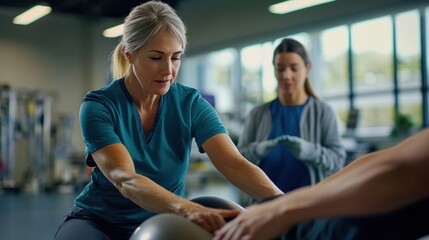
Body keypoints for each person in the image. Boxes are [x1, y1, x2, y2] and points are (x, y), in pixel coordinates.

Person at [53, 1, 282, 239]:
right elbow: (125, 179)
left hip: (164, 221)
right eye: (156, 57)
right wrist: (186, 207)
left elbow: (233, 164)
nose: (168, 70)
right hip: (100, 222)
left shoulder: (191, 104)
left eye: (176, 57)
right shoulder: (98, 106)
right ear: (129, 55)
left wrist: (284, 203)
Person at [214, 127, 429, 240]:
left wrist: (282, 209)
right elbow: (390, 161)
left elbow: (402, 171)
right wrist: (284, 205)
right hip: (296, 212)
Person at [237, 38, 346, 203]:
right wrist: (257, 150)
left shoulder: (323, 112)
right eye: (280, 69)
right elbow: (237, 160)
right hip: (263, 207)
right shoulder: (257, 114)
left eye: (294, 68)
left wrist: (310, 151)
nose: (287, 75)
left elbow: (337, 161)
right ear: (274, 71)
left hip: (309, 206)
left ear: (307, 69)